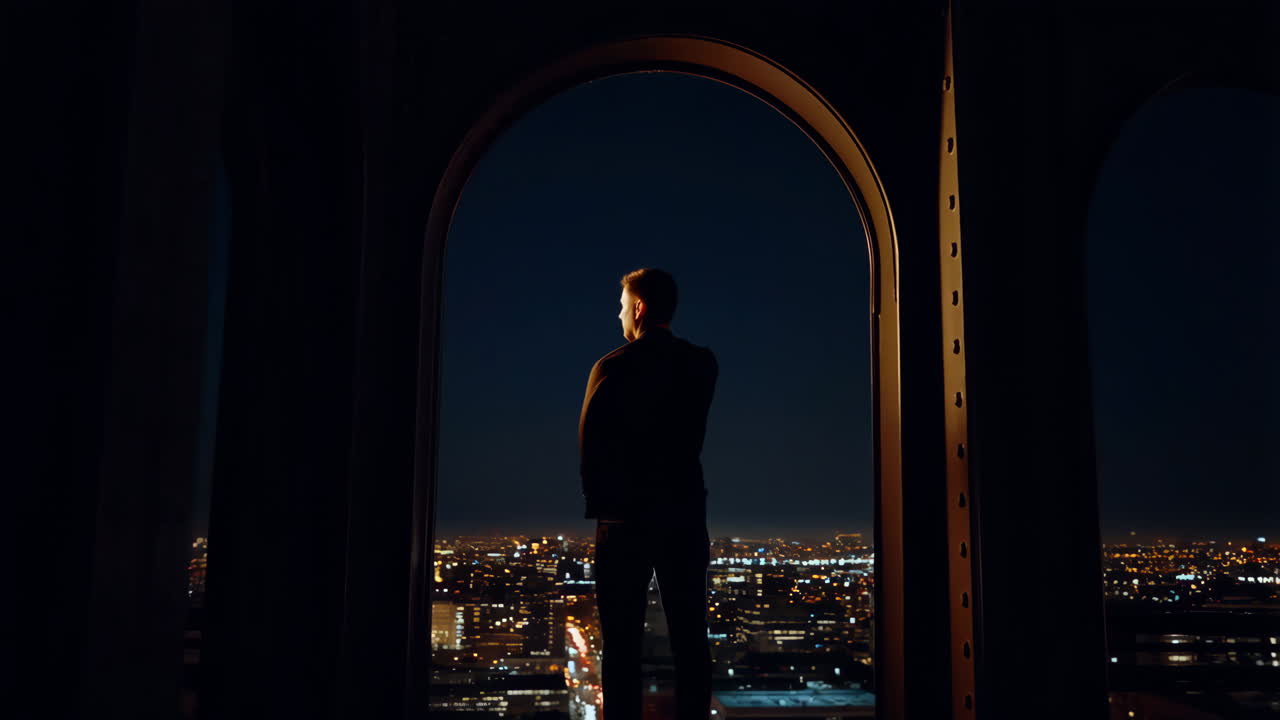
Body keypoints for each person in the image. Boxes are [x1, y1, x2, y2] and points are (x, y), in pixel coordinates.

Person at [578, 267, 719, 720]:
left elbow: (590, 443)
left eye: (622, 306)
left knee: (621, 644)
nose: (619, 314)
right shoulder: (702, 363)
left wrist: (602, 504)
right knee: (690, 638)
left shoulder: (612, 367)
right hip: (683, 513)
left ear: (638, 308)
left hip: (624, 519)